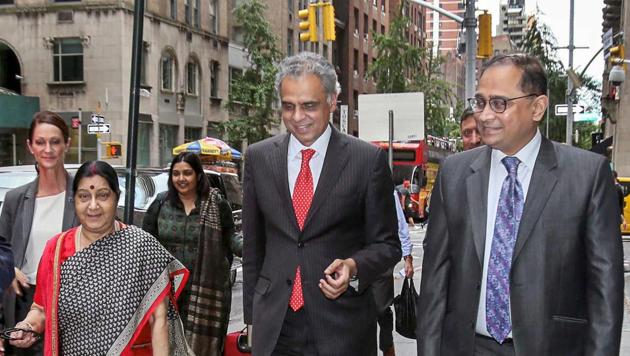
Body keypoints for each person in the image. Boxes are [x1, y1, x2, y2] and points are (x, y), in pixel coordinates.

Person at [416, 54, 624, 355]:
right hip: (468, 347)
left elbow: (605, 291)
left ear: (537, 107)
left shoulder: (586, 176)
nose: (485, 116)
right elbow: (435, 280)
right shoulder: (455, 174)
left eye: (499, 103)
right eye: (480, 102)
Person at [242, 52, 401, 356]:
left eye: (309, 106)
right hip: (276, 327)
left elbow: (387, 244)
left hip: (342, 328)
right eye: (288, 106)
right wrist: (252, 319)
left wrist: (353, 266)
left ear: (332, 100)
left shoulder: (367, 161)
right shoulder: (259, 158)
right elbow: (253, 249)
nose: (297, 117)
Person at [8, 161, 191, 355]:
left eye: (103, 195)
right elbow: (41, 308)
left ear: (116, 197)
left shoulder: (141, 247)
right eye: (84, 196)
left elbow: (159, 320)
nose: (93, 205)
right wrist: (28, 326)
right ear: (74, 200)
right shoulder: (56, 249)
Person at [142, 152, 239, 355]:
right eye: (176, 174)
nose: (181, 178)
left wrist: (257, 251)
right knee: (169, 345)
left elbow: (231, 239)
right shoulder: (161, 203)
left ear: (198, 175)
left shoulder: (215, 204)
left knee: (201, 348)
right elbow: (145, 243)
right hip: (169, 291)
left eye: (187, 173)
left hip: (206, 291)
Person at [0, 111, 78, 356]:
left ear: (67, 143)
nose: (48, 149)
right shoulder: (15, 199)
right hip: (23, 300)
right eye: (40, 142)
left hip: (70, 302)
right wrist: (8, 267)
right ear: (30, 146)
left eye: (55, 141)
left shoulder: (84, 195)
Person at [373, 191, 414, 356]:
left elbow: (400, 222)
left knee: (382, 311)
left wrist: (407, 257)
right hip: (352, 263)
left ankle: (388, 349)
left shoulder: (385, 188)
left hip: (381, 263)